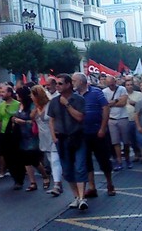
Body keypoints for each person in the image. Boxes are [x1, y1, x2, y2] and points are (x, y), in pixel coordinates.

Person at [47, 74, 88, 209]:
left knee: (80, 166)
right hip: (62, 139)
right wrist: (53, 136)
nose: (57, 86)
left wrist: (67, 104)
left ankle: (82, 198)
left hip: (77, 136)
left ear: (68, 85)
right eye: (56, 84)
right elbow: (51, 120)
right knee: (67, 169)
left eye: (60, 84)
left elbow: (80, 117)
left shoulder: (78, 99)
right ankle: (76, 196)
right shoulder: (53, 102)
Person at [72, 72, 116, 198]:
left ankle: (109, 183)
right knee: (86, 161)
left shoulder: (96, 92)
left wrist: (103, 128)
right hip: (83, 133)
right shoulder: (74, 96)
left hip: (98, 132)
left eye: (74, 81)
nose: (73, 83)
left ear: (81, 81)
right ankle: (92, 187)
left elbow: (105, 108)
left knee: (103, 160)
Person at [32, 84, 62, 196]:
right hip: (43, 136)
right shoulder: (36, 107)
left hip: (52, 134)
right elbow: (31, 117)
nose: (31, 97)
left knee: (55, 160)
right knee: (50, 159)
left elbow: (53, 120)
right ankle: (57, 182)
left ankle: (57, 185)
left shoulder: (50, 104)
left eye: (33, 95)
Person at [0, 86, 25, 190]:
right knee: (7, 157)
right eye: (1, 92)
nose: (1, 94)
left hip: (15, 134)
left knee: (17, 157)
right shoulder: (1, 106)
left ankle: (19, 179)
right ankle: (15, 177)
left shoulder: (17, 104)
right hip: (4, 134)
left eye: (3, 92)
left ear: (9, 93)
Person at [102, 75, 131, 170]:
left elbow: (123, 103)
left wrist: (112, 103)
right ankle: (119, 161)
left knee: (126, 141)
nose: (111, 86)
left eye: (112, 84)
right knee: (115, 142)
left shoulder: (122, 89)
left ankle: (127, 158)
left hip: (123, 117)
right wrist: (117, 100)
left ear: (115, 82)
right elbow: (105, 105)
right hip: (112, 119)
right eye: (109, 85)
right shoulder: (104, 92)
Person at [125, 80, 142, 163]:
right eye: (127, 85)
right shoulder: (123, 95)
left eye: (131, 84)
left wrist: (135, 103)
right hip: (127, 120)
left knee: (139, 139)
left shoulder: (139, 94)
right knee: (131, 139)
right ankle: (137, 154)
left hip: (137, 120)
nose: (129, 86)